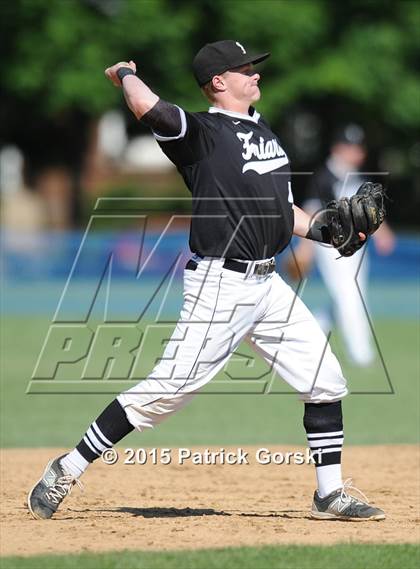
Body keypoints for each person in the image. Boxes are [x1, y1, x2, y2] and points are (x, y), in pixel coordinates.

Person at [27, 40, 385, 521]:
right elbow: (145, 107)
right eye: (245, 69)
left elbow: (284, 213)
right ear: (219, 81)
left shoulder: (266, 134)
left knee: (325, 379)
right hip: (222, 285)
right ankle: (65, 469)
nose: (255, 75)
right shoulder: (200, 132)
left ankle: (329, 494)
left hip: (269, 287)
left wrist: (327, 231)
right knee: (168, 390)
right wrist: (125, 73)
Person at [287, 126, 395, 366]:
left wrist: (383, 232)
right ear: (338, 148)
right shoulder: (324, 176)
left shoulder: (355, 175)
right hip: (332, 248)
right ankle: (361, 354)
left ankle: (312, 326)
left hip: (357, 247)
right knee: (349, 295)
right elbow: (313, 213)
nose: (356, 151)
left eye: (358, 147)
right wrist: (305, 248)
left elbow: (369, 211)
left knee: (348, 297)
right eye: (350, 147)